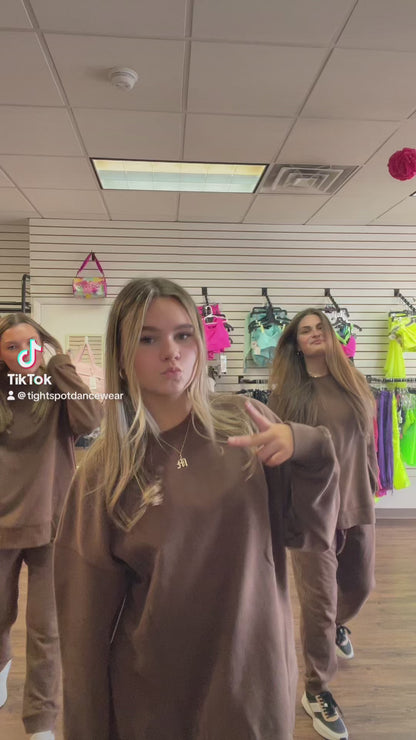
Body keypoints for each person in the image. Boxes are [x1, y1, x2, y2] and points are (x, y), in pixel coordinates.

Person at [54, 278, 340, 740]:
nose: (171, 352)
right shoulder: (105, 473)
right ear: (121, 356)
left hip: (252, 680)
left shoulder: (248, 424)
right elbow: (82, 629)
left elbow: (309, 532)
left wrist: (307, 446)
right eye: (148, 339)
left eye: (183, 335)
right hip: (154, 694)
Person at [268, 308, 378, 740]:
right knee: (318, 605)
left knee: (361, 585)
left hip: (355, 500)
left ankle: (337, 626)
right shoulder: (287, 395)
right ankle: (316, 691)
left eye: (320, 328)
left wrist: (372, 477)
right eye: (305, 331)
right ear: (296, 344)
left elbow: (365, 437)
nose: (314, 334)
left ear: (331, 336)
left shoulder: (355, 382)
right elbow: (277, 457)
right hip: (311, 512)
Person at [0, 313, 103, 740]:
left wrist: (61, 365)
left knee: (47, 631)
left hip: (52, 526)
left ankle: (41, 722)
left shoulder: (57, 389)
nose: (23, 353)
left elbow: (92, 419)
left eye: (31, 344)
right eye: (12, 346)